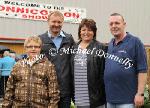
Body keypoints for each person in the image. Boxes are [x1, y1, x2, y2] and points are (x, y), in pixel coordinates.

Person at [104, 13, 148, 108]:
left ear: (124, 24)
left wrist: (140, 94)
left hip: (127, 100)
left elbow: (143, 70)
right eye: (111, 24)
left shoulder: (135, 42)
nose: (114, 26)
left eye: (117, 23)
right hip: (110, 100)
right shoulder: (111, 44)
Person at [2, 36, 60, 108]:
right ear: (25, 48)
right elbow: (9, 90)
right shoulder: (17, 65)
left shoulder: (48, 66)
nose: (33, 49)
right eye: (30, 46)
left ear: (40, 48)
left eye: (36, 46)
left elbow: (54, 93)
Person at [39, 11, 75, 108]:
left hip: (65, 90)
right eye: (53, 22)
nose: (56, 24)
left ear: (63, 23)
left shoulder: (69, 39)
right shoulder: (40, 40)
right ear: (48, 22)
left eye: (59, 22)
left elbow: (73, 62)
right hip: (46, 90)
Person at [71, 18, 106, 108]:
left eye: (90, 30)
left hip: (96, 97)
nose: (86, 32)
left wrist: (100, 93)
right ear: (80, 32)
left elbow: (103, 72)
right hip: (79, 96)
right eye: (83, 30)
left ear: (94, 32)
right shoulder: (73, 48)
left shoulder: (101, 48)